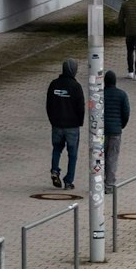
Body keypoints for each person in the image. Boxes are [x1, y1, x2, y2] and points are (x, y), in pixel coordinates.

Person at [45, 58, 86, 190]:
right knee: (72, 154)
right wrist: (80, 122)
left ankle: (55, 170)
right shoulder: (76, 87)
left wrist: (52, 119)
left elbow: (48, 104)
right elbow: (81, 107)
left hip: (57, 124)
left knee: (57, 149)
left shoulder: (54, 84)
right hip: (72, 126)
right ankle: (69, 181)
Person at [102, 69, 130, 189]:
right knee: (112, 158)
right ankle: (109, 184)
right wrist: (120, 125)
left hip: (100, 132)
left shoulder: (100, 94)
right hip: (115, 132)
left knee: (99, 157)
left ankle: (97, 181)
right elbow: (126, 113)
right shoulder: (122, 94)